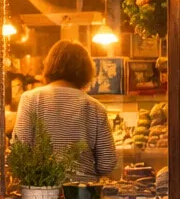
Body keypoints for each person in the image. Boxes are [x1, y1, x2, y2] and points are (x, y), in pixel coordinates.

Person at [12, 39, 117, 181]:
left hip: (40, 189)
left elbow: (20, 153)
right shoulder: (96, 107)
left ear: (50, 65)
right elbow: (107, 163)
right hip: (83, 191)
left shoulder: (30, 99)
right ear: (86, 71)